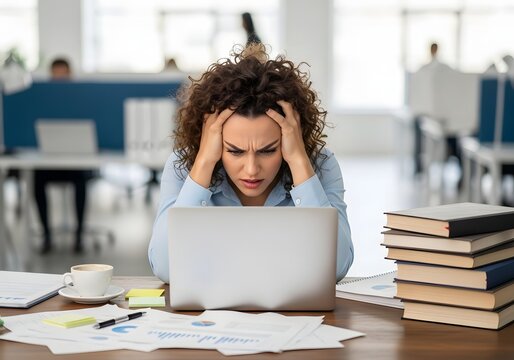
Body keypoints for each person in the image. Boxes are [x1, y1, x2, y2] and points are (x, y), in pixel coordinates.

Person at [148, 44, 353, 283]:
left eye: (268, 150)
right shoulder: (183, 167)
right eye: (235, 151)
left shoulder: (320, 165)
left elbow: (337, 267)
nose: (252, 169)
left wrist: (298, 161)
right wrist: (204, 162)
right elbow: (164, 267)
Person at [34, 58, 92, 254]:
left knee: (80, 179)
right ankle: (46, 234)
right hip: (48, 159)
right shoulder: (42, 98)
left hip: (77, 159)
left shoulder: (82, 97)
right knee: (36, 178)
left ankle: (79, 235)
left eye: (63, 76)